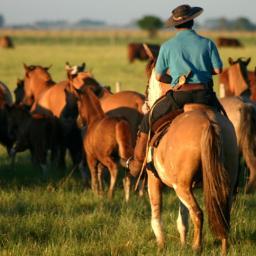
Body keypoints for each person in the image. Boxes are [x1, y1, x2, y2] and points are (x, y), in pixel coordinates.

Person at [127, 4, 223, 177]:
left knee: (148, 120)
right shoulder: (207, 43)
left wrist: (174, 80)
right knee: (226, 120)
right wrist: (202, 71)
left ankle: (136, 164)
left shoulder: (167, 46)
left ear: (175, 25)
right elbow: (218, 70)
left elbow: (158, 76)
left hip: (179, 95)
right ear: (192, 21)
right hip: (205, 95)